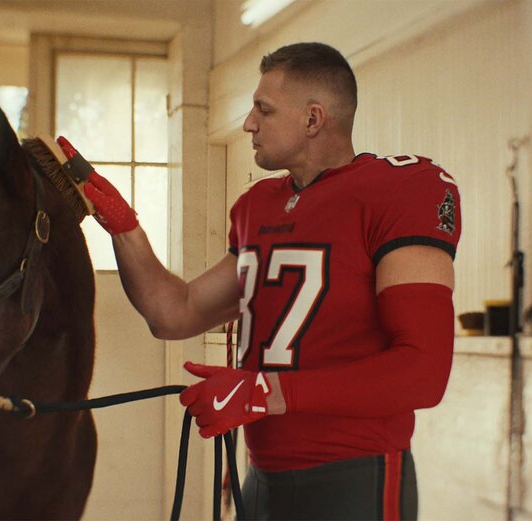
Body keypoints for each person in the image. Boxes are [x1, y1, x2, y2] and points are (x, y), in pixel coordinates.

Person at [60, 42, 461, 521]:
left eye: (263, 110)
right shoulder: (259, 206)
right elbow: (175, 313)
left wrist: (263, 393)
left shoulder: (398, 190)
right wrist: (126, 230)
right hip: (263, 476)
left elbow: (424, 372)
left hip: (353, 476)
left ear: (314, 120)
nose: (249, 123)